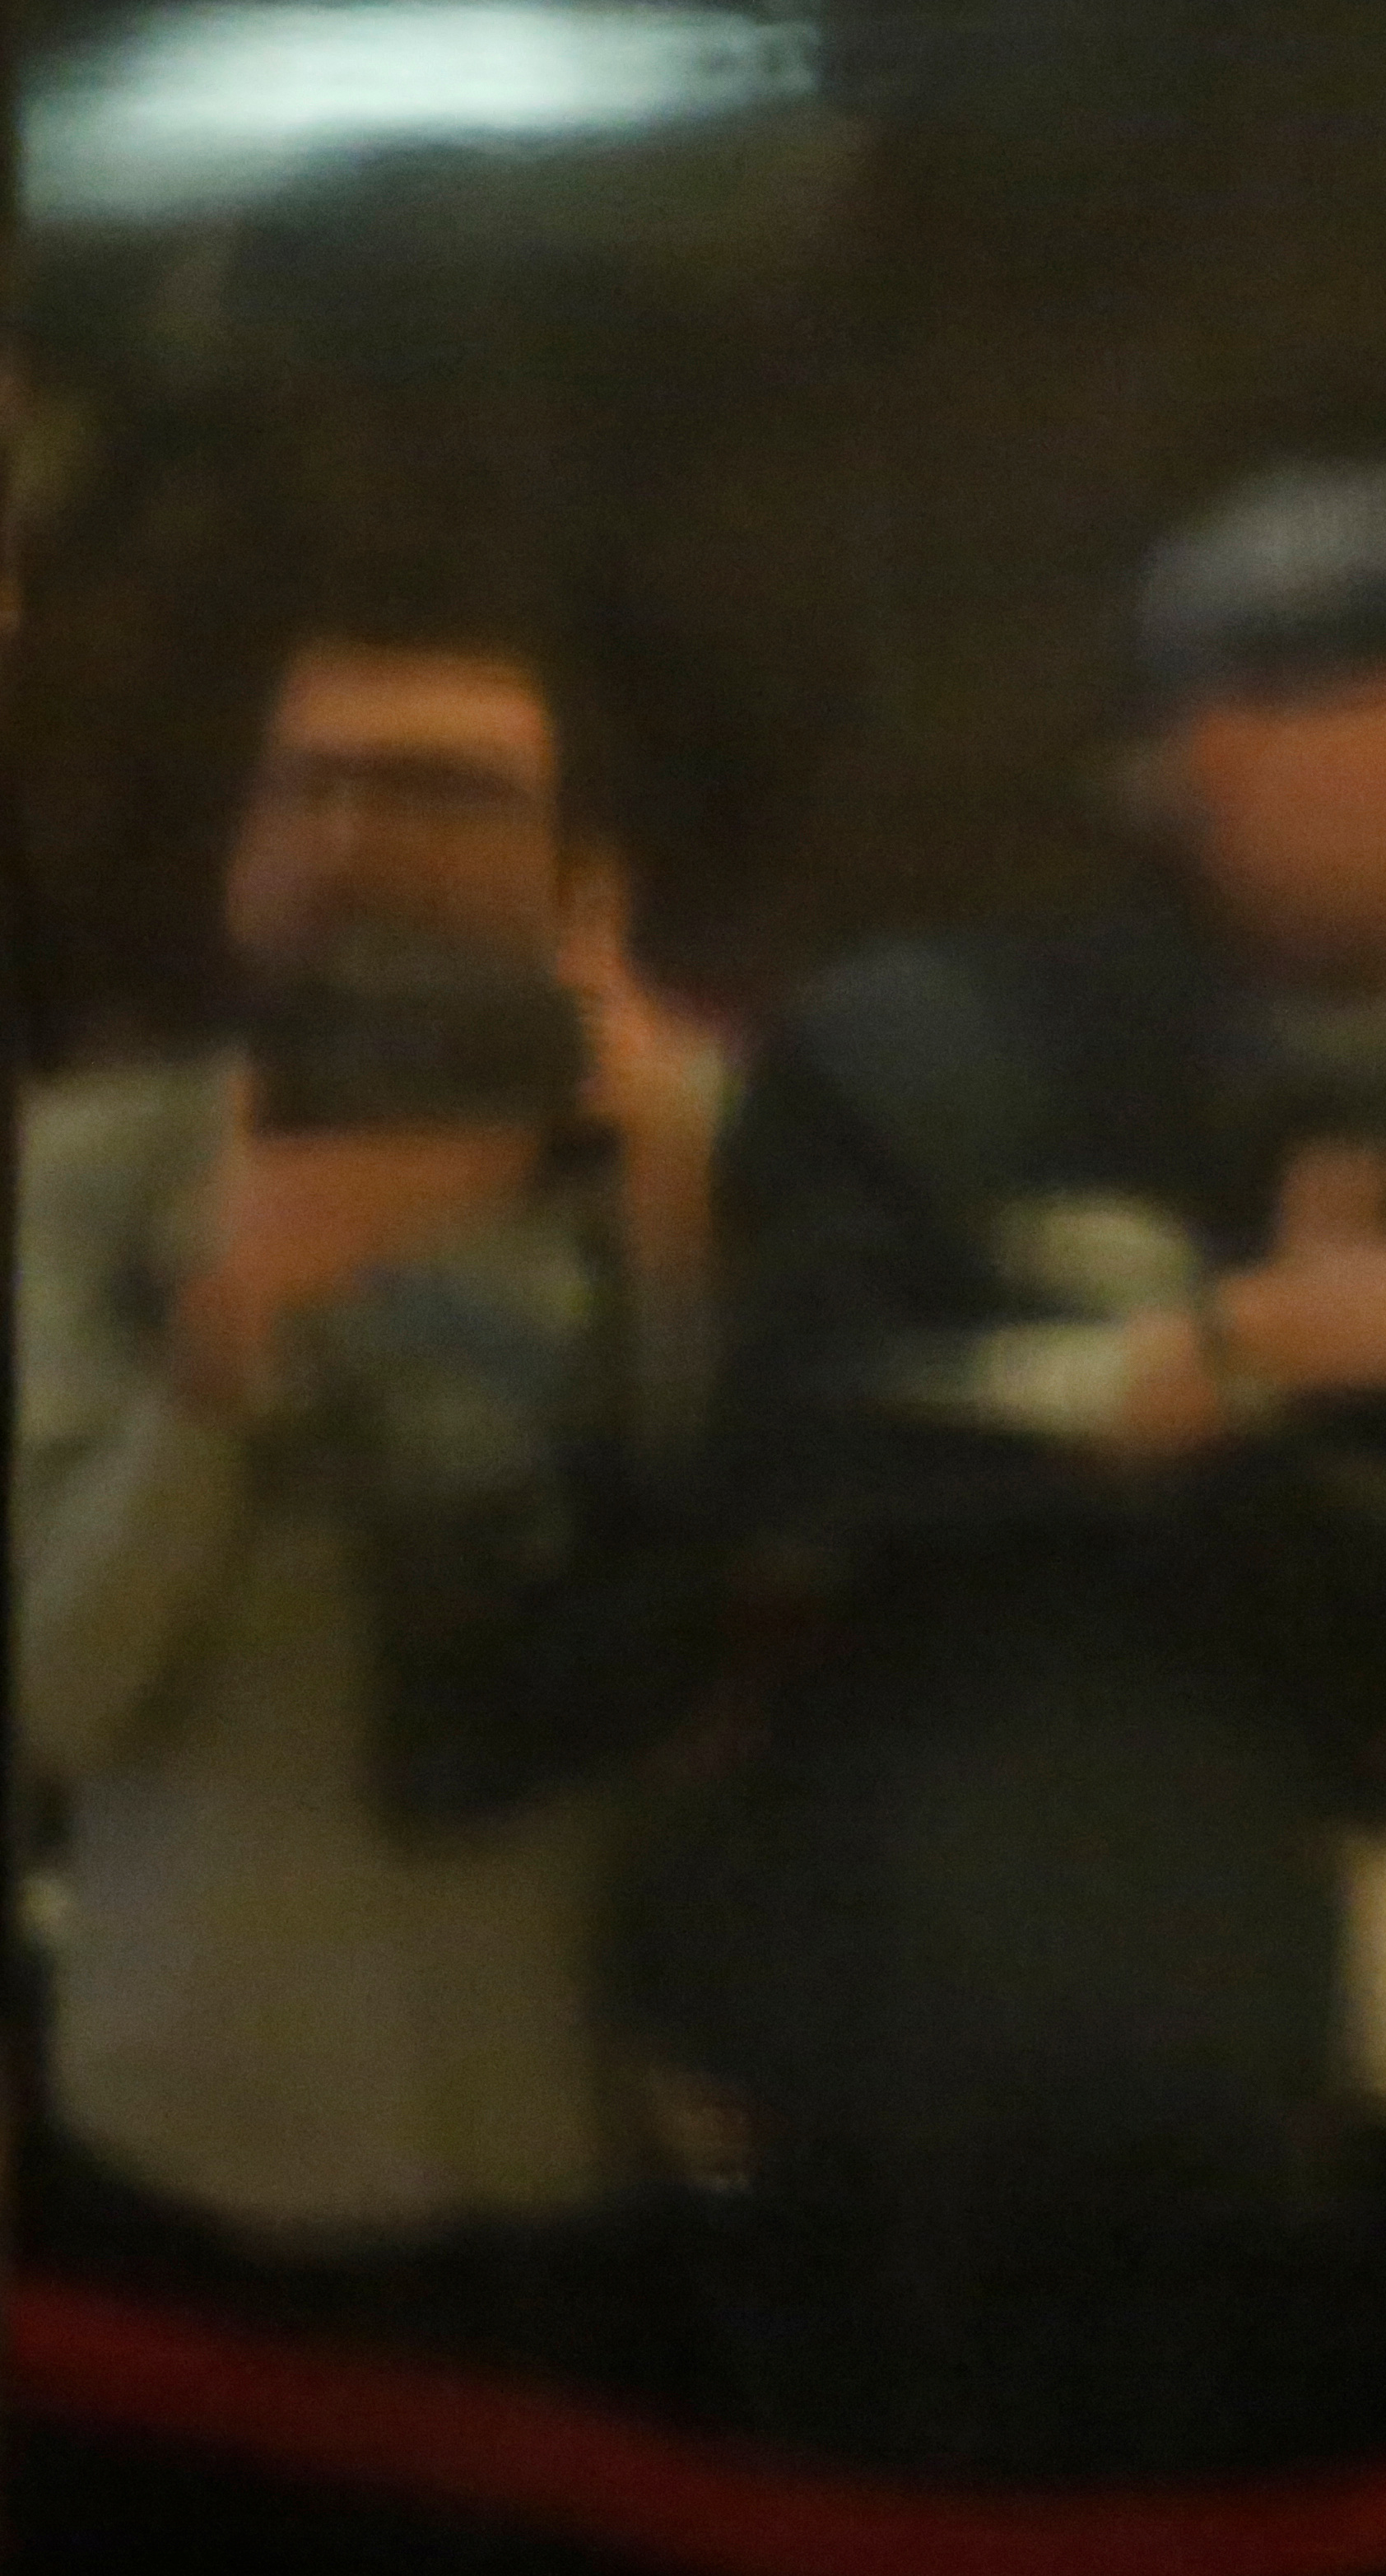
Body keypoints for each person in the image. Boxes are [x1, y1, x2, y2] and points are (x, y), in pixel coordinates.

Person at [658, 458, 1386, 2550]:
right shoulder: (941, 1057)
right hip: (1112, 2083)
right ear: (1224, 751)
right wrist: (1234, 1354)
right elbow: (797, 1445)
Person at [11, 562, 731, 2555]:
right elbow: (54, 1695)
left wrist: (674, 1210)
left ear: (583, 870)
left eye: (434, 792)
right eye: (300, 786)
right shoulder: (94, 1173)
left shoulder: (697, 1158)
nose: (347, 840)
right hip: (186, 2151)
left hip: (582, 2155)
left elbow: (780, 1619)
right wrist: (226, 1333)